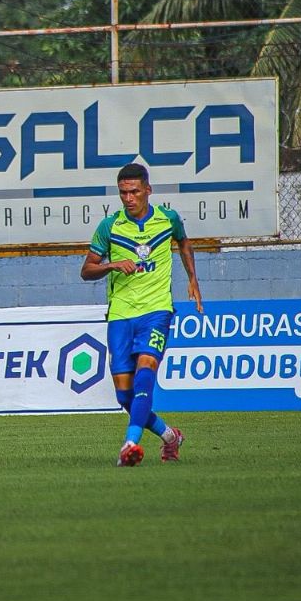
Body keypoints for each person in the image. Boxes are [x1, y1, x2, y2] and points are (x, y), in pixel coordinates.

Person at [80, 163, 203, 467]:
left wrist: (192, 280)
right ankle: (171, 437)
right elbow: (86, 270)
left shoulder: (168, 219)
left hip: (156, 310)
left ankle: (129, 444)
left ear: (148, 189)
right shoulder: (109, 227)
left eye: (134, 191)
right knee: (125, 397)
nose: (128, 198)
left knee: (146, 373)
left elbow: (184, 243)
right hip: (121, 313)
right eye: (123, 193)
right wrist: (111, 264)